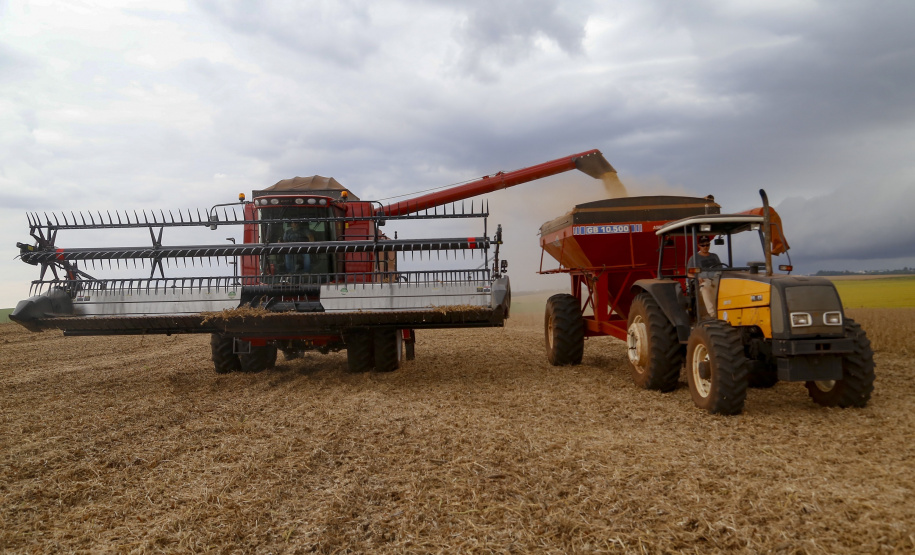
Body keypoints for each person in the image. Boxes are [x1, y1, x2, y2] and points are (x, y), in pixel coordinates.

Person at [686, 235, 723, 318]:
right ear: (699, 246)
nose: (705, 247)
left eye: (707, 245)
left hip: (717, 279)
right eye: (703, 245)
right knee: (705, 287)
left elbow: (721, 269)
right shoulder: (694, 258)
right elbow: (689, 274)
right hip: (704, 280)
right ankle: (713, 314)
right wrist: (697, 277)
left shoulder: (715, 256)